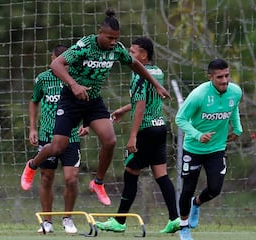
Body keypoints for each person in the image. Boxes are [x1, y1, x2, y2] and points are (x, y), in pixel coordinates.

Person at [21, 9, 171, 206]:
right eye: (109, 37)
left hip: (92, 101)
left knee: (110, 141)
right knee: (58, 147)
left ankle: (98, 182)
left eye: (116, 39)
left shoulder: (116, 49)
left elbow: (135, 64)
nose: (112, 42)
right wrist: (74, 85)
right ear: (100, 32)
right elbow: (56, 65)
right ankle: (32, 165)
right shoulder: (84, 46)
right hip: (71, 100)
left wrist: (156, 84)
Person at [95, 36, 180, 233]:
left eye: (132, 52)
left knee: (130, 173)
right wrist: (124, 110)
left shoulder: (138, 74)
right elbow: (147, 99)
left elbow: (141, 106)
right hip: (160, 128)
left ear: (143, 55)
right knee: (162, 175)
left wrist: (133, 136)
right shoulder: (157, 71)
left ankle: (119, 221)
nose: (129, 55)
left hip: (145, 131)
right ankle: (175, 218)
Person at [175, 58, 243, 240]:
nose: (225, 80)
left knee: (215, 189)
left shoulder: (235, 91)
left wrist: (237, 129)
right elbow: (180, 119)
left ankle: (196, 204)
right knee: (187, 189)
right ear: (210, 77)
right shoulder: (198, 95)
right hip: (193, 149)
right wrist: (198, 135)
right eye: (220, 77)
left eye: (227, 75)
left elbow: (233, 108)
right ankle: (183, 227)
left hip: (217, 149)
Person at [28, 45, 89, 234]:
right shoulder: (43, 79)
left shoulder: (76, 80)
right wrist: (32, 128)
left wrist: (86, 123)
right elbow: (34, 101)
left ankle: (68, 219)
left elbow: (89, 101)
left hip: (70, 137)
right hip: (47, 135)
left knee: (71, 179)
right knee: (46, 178)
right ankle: (47, 222)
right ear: (52, 60)